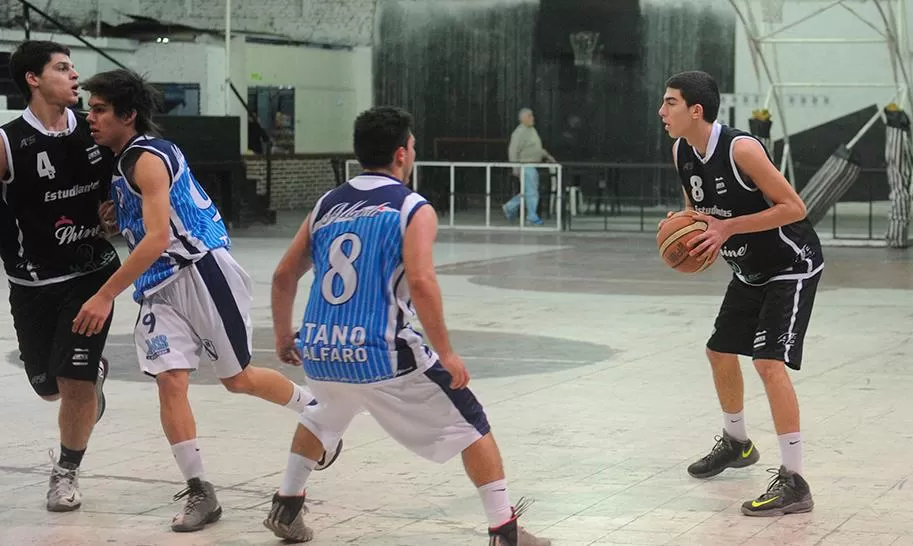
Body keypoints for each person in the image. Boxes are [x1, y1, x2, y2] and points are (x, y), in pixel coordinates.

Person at [265, 106, 551, 545]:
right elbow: (420, 280)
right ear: (402, 154)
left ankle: (286, 508)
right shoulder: (411, 206)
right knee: (470, 422)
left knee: (325, 414)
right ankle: (505, 531)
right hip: (382, 351)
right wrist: (447, 352)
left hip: (323, 347)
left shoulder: (327, 204)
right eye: (413, 146)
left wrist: (285, 336)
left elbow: (284, 275)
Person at [73, 69, 340, 533]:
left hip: (202, 271)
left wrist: (103, 294)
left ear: (128, 115)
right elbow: (157, 219)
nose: (90, 118)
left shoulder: (146, 159)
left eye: (99, 110)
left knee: (237, 379)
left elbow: (158, 238)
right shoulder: (128, 160)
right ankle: (201, 490)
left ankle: (315, 410)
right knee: (170, 382)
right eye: (89, 109)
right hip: (160, 287)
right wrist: (124, 215)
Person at [659, 70, 822, 517]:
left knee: (768, 362)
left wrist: (728, 226)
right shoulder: (681, 151)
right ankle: (737, 443)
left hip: (791, 264)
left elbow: (795, 207)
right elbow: (700, 208)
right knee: (719, 351)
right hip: (748, 268)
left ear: (696, 110)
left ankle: (795, 483)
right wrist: (683, 223)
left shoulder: (741, 149)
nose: (661, 111)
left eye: (670, 102)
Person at [0, 40, 117, 513]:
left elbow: (123, 185)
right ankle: (92, 379)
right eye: (63, 68)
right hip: (31, 283)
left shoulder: (96, 131)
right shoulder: (9, 142)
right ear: (33, 78)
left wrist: (116, 211)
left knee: (72, 377)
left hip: (92, 275)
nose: (75, 76)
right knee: (48, 387)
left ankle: (66, 473)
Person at [503, 108, 555, 225]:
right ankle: (531, 216)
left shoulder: (531, 130)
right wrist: (515, 167)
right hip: (525, 165)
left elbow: (536, 148)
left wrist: (547, 155)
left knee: (529, 191)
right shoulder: (519, 132)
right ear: (523, 118)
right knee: (532, 192)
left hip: (532, 165)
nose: (533, 118)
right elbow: (513, 150)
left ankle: (510, 207)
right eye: (530, 116)